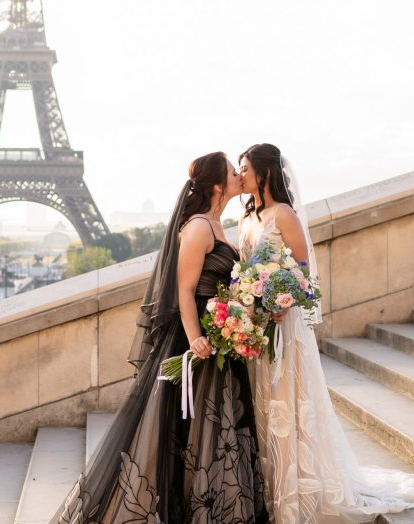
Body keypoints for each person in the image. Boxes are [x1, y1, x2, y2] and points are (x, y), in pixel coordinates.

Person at [238, 143, 414, 524]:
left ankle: (296, 497)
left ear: (265, 173)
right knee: (266, 409)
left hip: (283, 326)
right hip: (257, 329)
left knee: (287, 407)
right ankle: (274, 489)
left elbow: (304, 272)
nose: (239, 176)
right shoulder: (246, 220)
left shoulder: (284, 215)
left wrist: (280, 301)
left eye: (244, 168)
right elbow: (244, 273)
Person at [53, 152, 268, 523]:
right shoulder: (199, 226)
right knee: (193, 430)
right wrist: (196, 338)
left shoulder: (217, 224)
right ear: (218, 185)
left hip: (219, 337)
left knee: (210, 430)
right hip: (195, 341)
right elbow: (184, 291)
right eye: (232, 172)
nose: (238, 174)